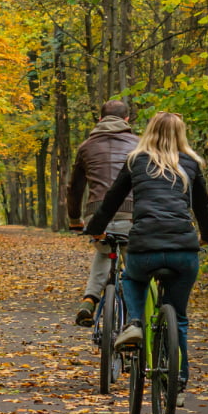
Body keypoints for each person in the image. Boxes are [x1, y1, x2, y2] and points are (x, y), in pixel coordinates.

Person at [84, 111, 208, 406]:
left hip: (144, 247)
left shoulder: (136, 161)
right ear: (181, 134)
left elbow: (111, 202)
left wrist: (94, 230)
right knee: (179, 318)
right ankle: (178, 381)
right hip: (184, 250)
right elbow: (204, 207)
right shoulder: (191, 163)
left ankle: (133, 323)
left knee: (131, 278)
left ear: (149, 131)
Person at [67, 100, 139, 327]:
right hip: (132, 217)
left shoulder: (86, 147)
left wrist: (74, 220)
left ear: (99, 120)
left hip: (97, 217)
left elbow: (75, 189)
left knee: (104, 249)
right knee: (135, 263)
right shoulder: (139, 145)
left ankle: (90, 298)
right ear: (127, 120)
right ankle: (135, 315)